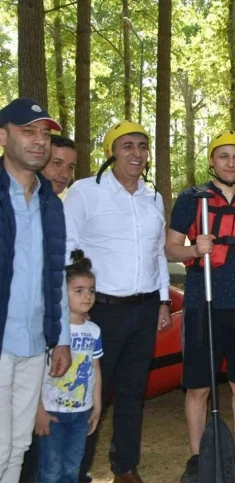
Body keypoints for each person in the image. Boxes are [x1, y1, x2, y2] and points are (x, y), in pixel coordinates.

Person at [65, 120, 171, 483]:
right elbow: (67, 245)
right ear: (111, 151)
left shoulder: (153, 197)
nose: (137, 153)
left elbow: (158, 254)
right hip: (101, 311)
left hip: (144, 310)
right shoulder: (84, 192)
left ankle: (125, 466)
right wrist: (73, 302)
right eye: (127, 145)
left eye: (142, 146)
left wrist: (163, 302)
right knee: (92, 391)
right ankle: (77, 469)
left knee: (132, 391)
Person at [166, 130, 235, 483]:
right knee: (198, 387)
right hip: (202, 302)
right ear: (211, 160)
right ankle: (197, 457)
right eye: (223, 156)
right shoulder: (191, 198)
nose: (231, 163)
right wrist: (195, 250)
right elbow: (170, 249)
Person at [0, 97, 71, 483]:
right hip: (1, 342)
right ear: (2, 135)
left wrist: (60, 338)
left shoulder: (50, 202)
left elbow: (55, 274)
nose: (39, 141)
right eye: (28, 131)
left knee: (18, 445)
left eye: (44, 134)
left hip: (33, 345)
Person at [35, 250, 102, 483]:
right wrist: (39, 411)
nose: (87, 296)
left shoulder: (94, 331)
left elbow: (95, 368)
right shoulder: (49, 331)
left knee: (72, 470)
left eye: (91, 290)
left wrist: (97, 404)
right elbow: (35, 373)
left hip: (81, 413)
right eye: (79, 291)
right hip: (53, 412)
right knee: (50, 471)